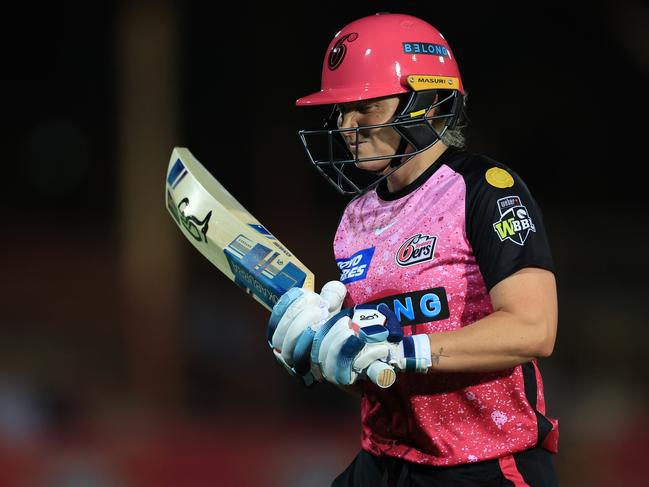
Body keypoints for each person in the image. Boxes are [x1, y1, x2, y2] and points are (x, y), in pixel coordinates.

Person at [268, 12, 559, 487]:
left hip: (483, 465)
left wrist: (405, 350)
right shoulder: (354, 219)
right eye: (342, 110)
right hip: (386, 462)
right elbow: (380, 370)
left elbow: (534, 328)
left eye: (367, 106)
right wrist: (328, 351)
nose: (347, 125)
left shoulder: (485, 190)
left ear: (425, 101)